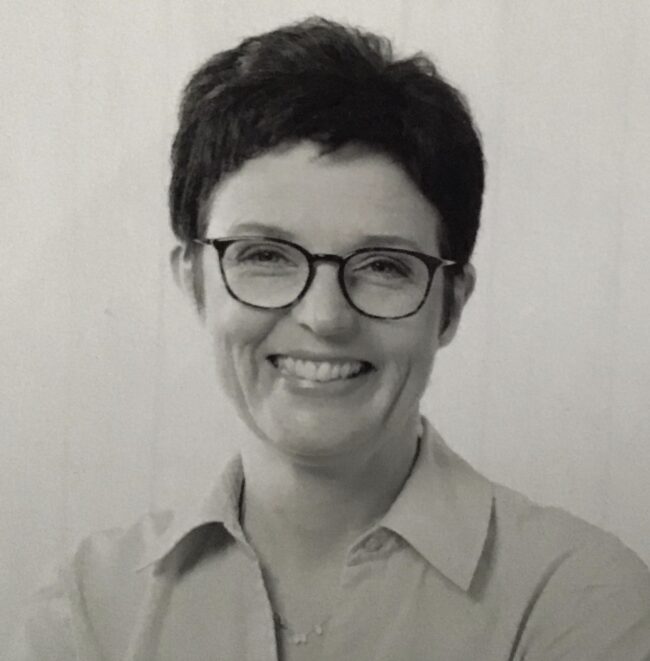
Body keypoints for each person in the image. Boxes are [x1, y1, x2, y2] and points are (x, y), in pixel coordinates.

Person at [10, 17, 650, 661]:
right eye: (265, 255)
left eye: (384, 266)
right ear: (194, 281)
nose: (325, 317)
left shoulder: (581, 602)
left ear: (451, 303)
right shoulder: (90, 607)